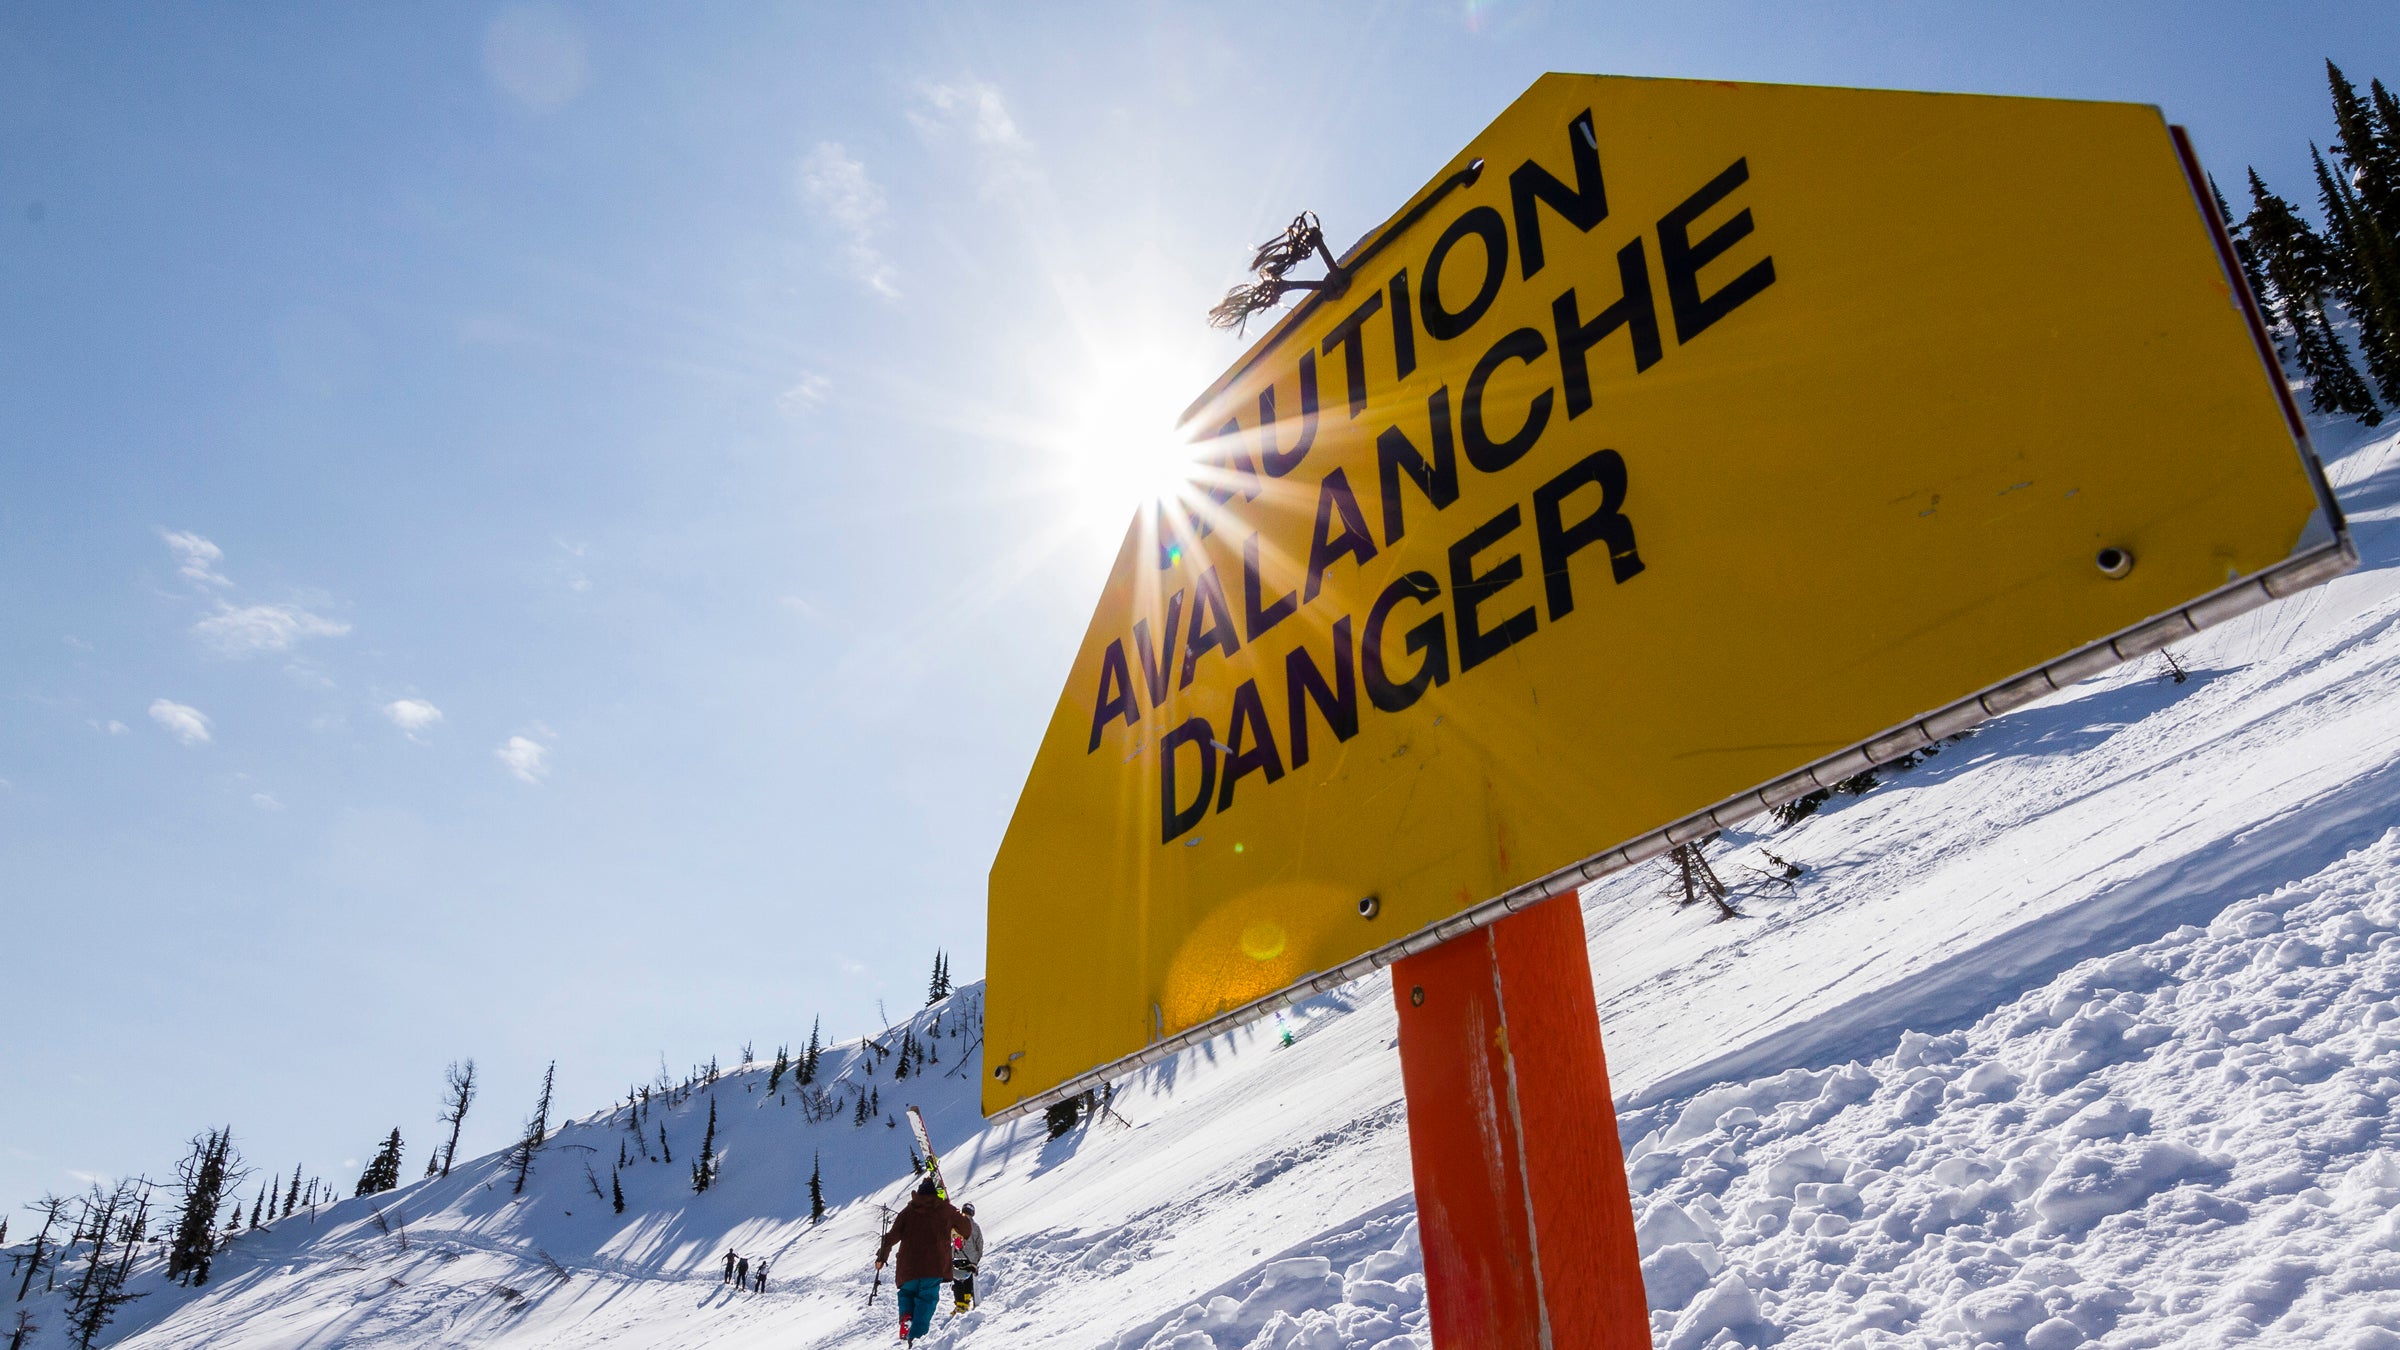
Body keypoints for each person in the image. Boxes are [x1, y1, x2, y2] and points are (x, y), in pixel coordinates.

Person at [877, 1178, 970, 1341]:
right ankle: (916, 1337)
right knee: (927, 1299)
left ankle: (906, 1316)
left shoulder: (908, 1211)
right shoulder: (945, 1209)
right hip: (933, 1266)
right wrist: (953, 1212)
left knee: (906, 1293)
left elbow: (891, 1237)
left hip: (907, 1267)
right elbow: (966, 1230)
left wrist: (881, 1257)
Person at [950, 1202, 984, 1313]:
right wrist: (977, 1258)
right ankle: (967, 1299)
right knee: (969, 1278)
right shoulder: (976, 1227)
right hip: (972, 1259)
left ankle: (960, 1305)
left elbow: (951, 1241)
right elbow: (980, 1243)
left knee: (958, 1280)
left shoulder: (955, 1225)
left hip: (958, 1258)